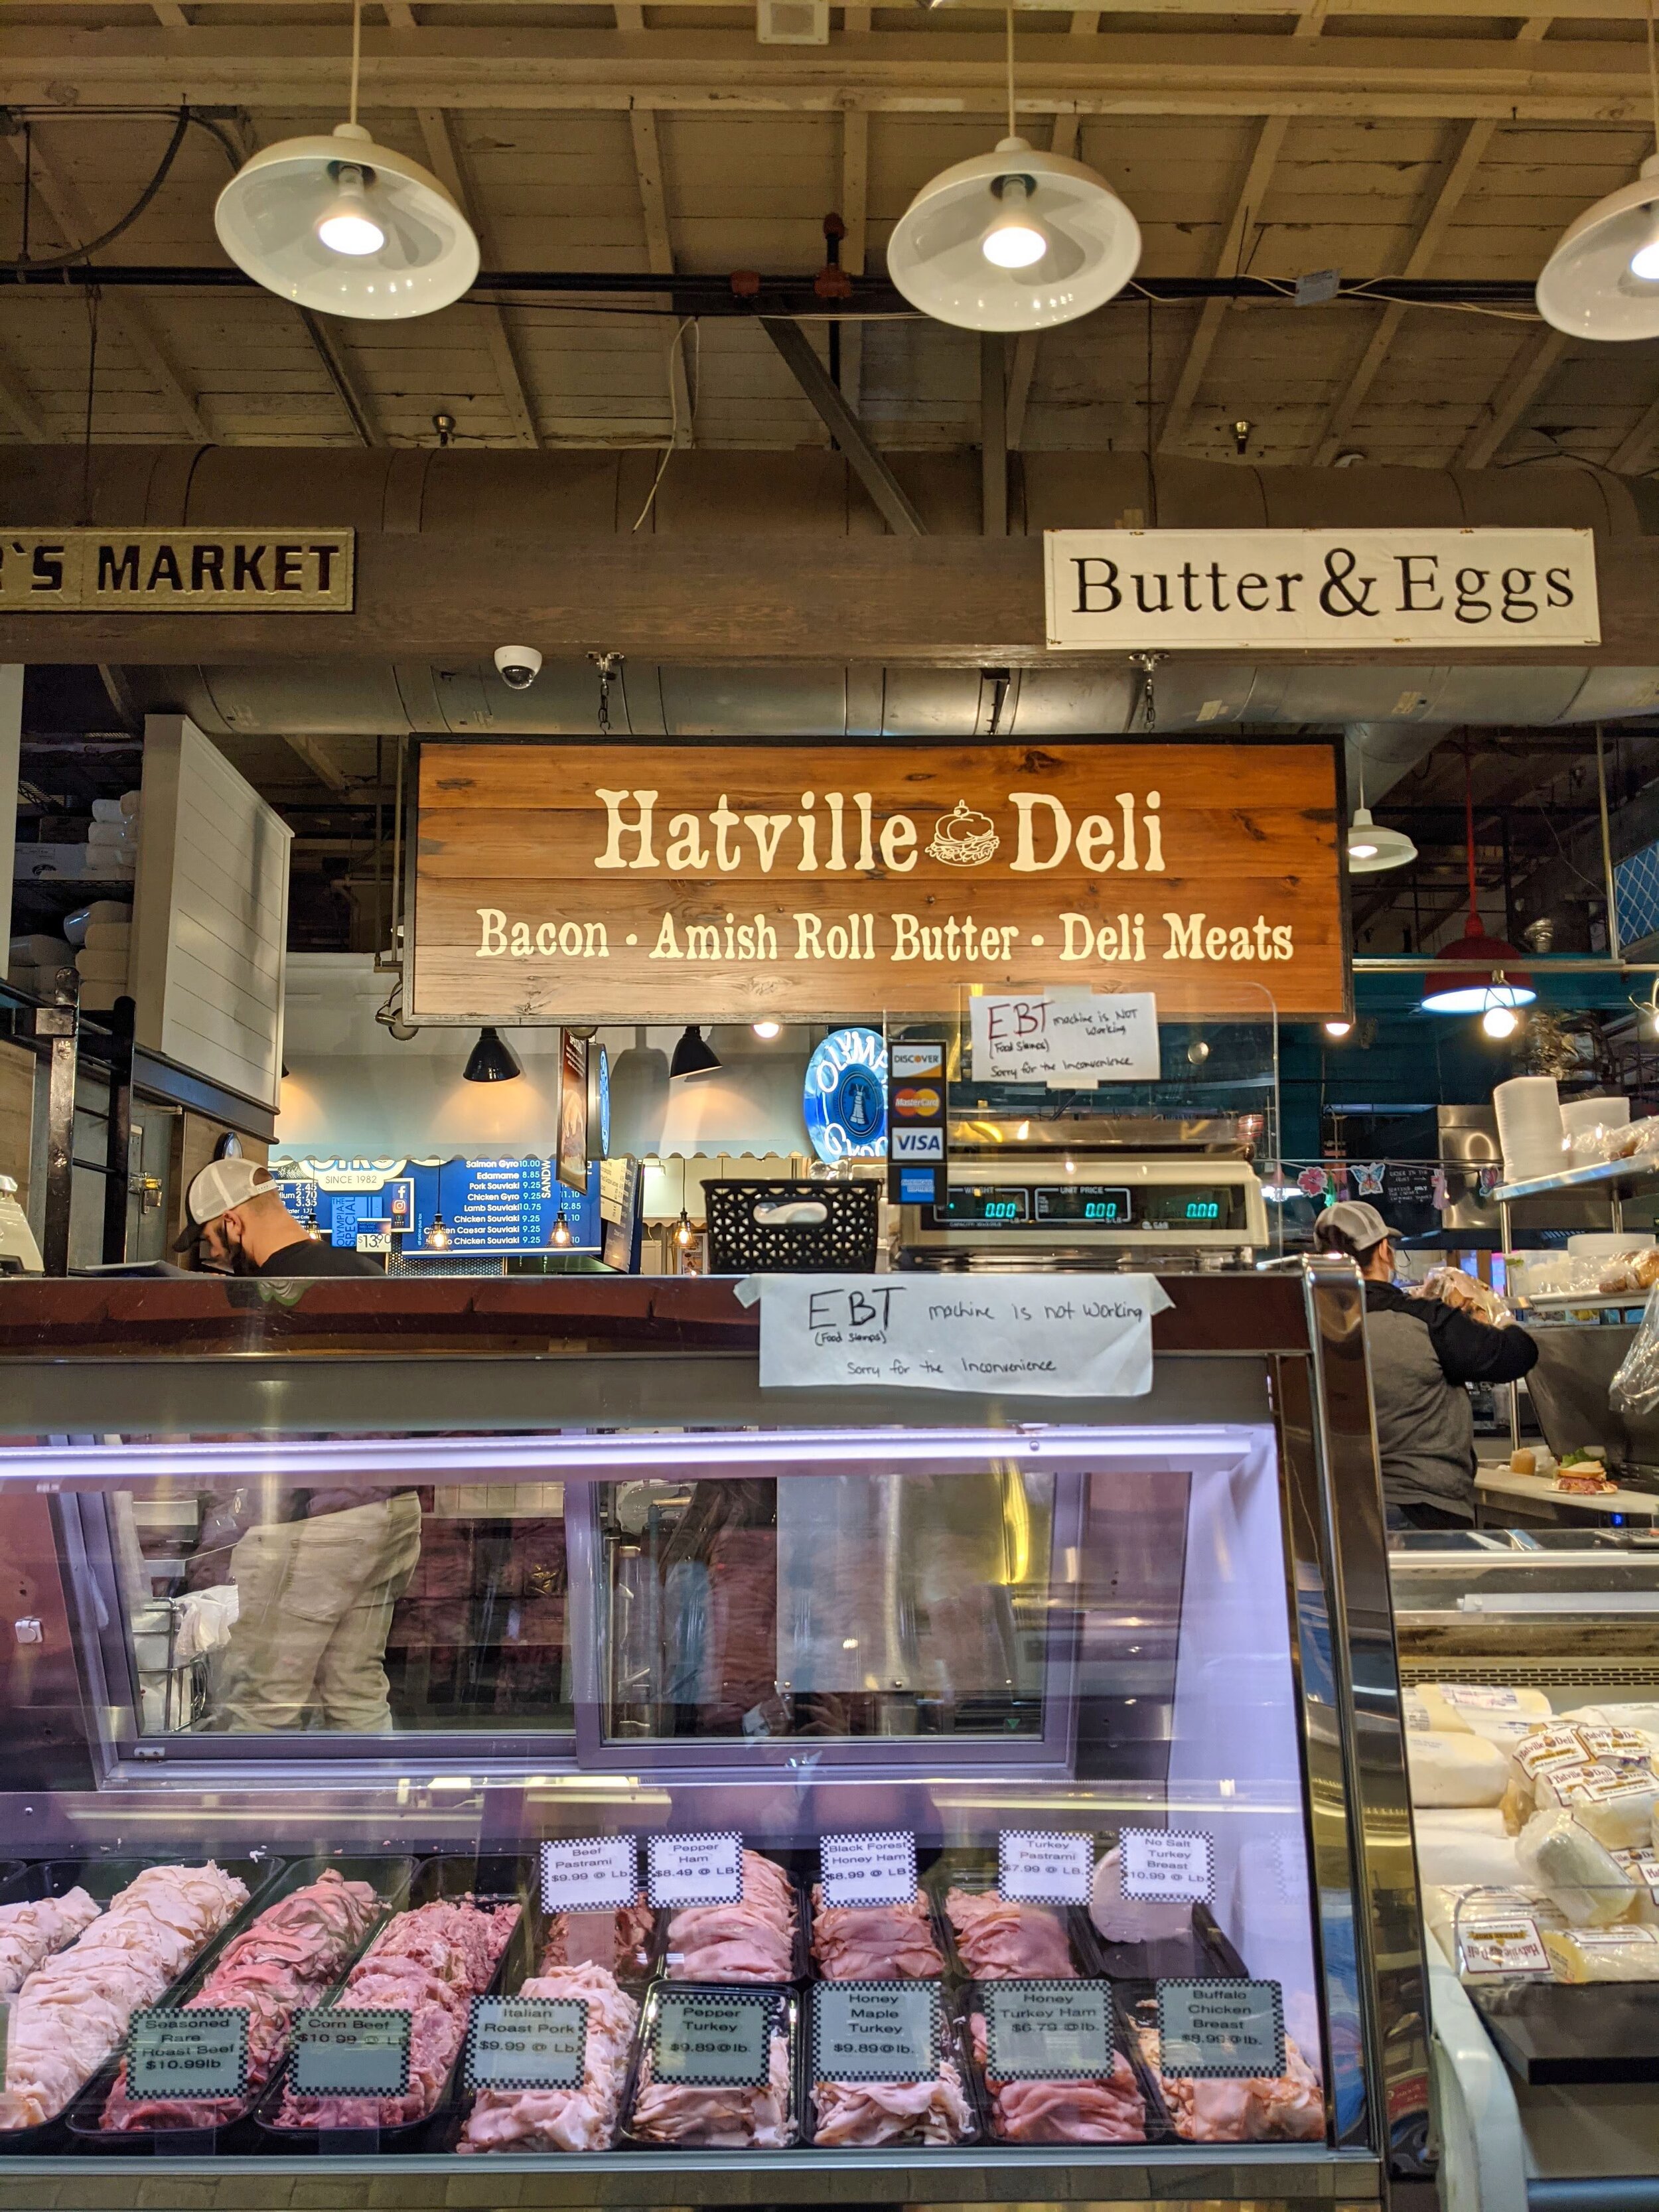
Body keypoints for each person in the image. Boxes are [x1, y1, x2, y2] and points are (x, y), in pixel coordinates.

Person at [1313, 1199, 1539, 1530]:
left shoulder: (1308, 1327)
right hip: (1426, 1512)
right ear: (1384, 1252)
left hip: (1339, 1512)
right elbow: (1518, 1354)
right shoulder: (1424, 1321)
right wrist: (1492, 1309)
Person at [174, 1157, 383, 1276]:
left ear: (233, 1222)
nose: (214, 1252)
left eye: (210, 1239)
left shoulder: (266, 1294)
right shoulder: (369, 1271)